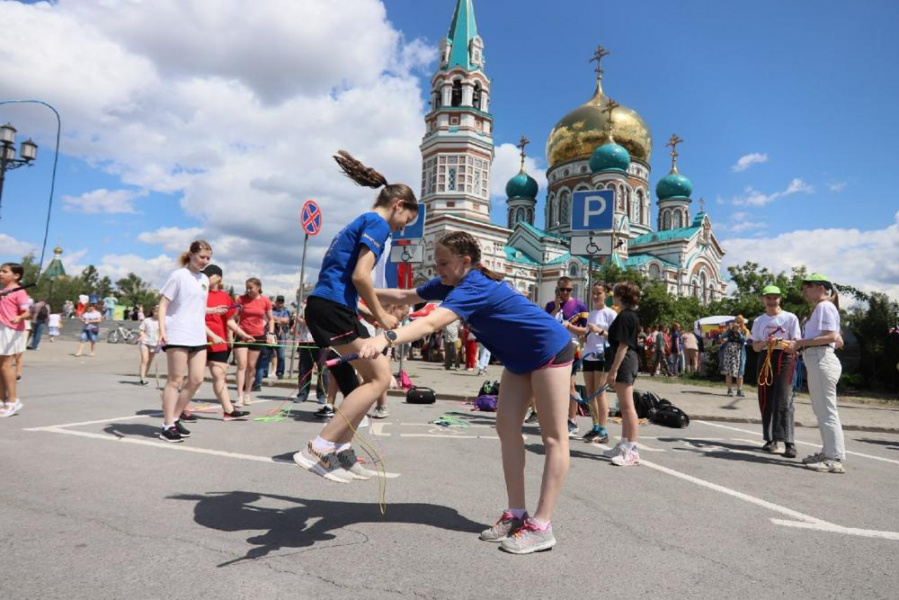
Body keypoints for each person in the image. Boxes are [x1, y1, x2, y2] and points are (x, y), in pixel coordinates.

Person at [361, 231, 573, 554]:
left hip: (548, 348)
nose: (438, 269)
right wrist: (360, 290)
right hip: (518, 358)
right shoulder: (451, 282)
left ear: (466, 261)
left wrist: (384, 338)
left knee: (554, 437)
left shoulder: (474, 286)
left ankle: (541, 526)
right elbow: (405, 295)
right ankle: (516, 513)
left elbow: (430, 324)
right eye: (436, 262)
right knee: (506, 429)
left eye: (443, 263)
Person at [291, 149, 417, 484]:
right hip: (330, 309)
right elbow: (361, 276)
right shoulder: (378, 224)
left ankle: (342, 451)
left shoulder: (359, 222)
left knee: (359, 386)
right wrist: (381, 315)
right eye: (405, 221)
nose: (400, 228)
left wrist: (365, 313)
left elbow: (343, 281)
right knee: (380, 377)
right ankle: (318, 448)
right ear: (398, 206)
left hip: (331, 307)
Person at [784, 274, 846, 473]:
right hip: (819, 358)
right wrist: (805, 345)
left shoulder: (824, 307)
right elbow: (838, 341)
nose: (804, 291)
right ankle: (828, 452)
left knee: (826, 411)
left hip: (821, 359)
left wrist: (800, 343)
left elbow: (831, 337)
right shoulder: (824, 307)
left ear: (820, 288)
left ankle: (833, 458)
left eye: (807, 287)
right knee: (823, 411)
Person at [157, 240, 215, 443]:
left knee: (197, 380)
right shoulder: (178, 276)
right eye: (202, 257)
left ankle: (175, 417)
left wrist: (213, 311)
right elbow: (163, 305)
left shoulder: (204, 279)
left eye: (208, 258)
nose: (205, 261)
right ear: (191, 255)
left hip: (197, 334)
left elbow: (197, 307)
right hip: (177, 333)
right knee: (175, 380)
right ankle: (167, 426)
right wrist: (162, 330)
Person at [750, 285, 801, 458]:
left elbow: (795, 343)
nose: (772, 301)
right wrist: (766, 342)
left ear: (780, 299)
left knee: (784, 398)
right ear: (763, 299)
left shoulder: (790, 318)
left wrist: (781, 343)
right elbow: (755, 347)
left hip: (784, 358)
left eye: (775, 298)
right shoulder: (759, 321)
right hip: (765, 357)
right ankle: (771, 439)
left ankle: (789, 442)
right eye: (768, 298)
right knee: (766, 397)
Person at [203, 264, 252, 421]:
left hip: (219, 342)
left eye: (209, 275)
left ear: (218, 278)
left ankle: (228, 411)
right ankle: (179, 409)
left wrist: (243, 334)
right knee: (194, 378)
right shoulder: (199, 293)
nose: (205, 277)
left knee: (220, 375)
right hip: (199, 340)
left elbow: (229, 321)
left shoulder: (225, 297)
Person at [602, 281, 643, 466]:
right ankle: (625, 444)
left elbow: (623, 346)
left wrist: (613, 370)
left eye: (615, 293)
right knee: (624, 407)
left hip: (625, 361)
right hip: (625, 360)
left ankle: (632, 450)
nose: (613, 296)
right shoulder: (628, 315)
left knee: (627, 407)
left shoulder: (626, 316)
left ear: (621, 296)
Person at [545, 276, 588, 437]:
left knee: (570, 385)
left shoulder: (580, 306)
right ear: (557, 289)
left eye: (568, 289)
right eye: (562, 289)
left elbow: (585, 331)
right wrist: (556, 309)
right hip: (554, 348)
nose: (565, 292)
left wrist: (569, 326)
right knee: (553, 386)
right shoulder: (551, 305)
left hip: (571, 348)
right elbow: (545, 325)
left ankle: (572, 420)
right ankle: (556, 419)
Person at [579, 282, 617, 444]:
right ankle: (595, 426)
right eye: (593, 293)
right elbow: (588, 333)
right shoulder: (591, 313)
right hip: (588, 355)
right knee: (590, 393)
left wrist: (599, 331)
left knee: (600, 393)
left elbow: (615, 337)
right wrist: (584, 338)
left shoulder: (610, 313)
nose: (595, 296)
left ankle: (603, 430)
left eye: (598, 293)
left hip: (602, 356)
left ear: (606, 294)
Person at [233, 278, 274, 405]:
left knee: (251, 366)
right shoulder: (241, 299)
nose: (248, 290)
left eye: (251, 288)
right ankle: (239, 396)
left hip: (258, 335)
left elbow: (271, 319)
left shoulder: (265, 301)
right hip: (242, 334)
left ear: (258, 287)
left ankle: (247, 394)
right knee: (241, 365)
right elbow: (233, 316)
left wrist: (271, 334)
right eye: (247, 287)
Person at [0, 263, 31, 417]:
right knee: (1, 366)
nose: (0, 273)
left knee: (6, 365)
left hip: (11, 329)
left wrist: (19, 317)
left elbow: (27, 312)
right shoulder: (2, 291)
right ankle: (2, 399)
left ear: (16, 275)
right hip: (1, 327)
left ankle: (13, 400)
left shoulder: (20, 292)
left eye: (4, 271)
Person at [720, 316, 748, 396]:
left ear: (742, 322)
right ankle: (729, 390)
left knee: (740, 372)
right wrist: (729, 330)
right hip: (729, 352)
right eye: (736, 322)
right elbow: (722, 337)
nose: (737, 323)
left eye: (739, 322)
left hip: (739, 353)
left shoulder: (745, 331)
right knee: (728, 371)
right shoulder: (730, 330)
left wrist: (738, 331)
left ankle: (739, 390)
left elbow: (744, 340)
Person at [137, 305, 161, 386]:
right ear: (152, 311)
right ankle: (142, 379)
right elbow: (141, 330)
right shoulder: (147, 320)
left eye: (159, 310)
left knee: (149, 361)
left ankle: (144, 376)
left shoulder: (162, 321)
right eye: (155, 310)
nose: (157, 312)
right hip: (145, 342)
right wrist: (142, 335)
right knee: (145, 360)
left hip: (155, 344)